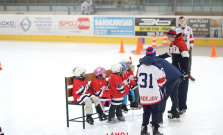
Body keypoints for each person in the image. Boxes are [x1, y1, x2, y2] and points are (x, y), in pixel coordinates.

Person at [158, 28, 189, 115]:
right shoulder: (173, 44)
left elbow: (186, 58)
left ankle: (182, 107)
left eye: (168, 36)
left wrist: (185, 71)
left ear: (172, 36)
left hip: (182, 72)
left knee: (182, 90)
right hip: (175, 72)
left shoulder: (181, 44)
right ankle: (175, 108)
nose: (167, 38)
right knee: (174, 90)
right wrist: (158, 57)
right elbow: (168, 54)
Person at [138, 47, 166, 135]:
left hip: (143, 94)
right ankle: (155, 130)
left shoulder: (140, 67)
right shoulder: (157, 67)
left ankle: (143, 129)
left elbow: (137, 79)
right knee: (155, 112)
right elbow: (162, 82)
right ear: (154, 55)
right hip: (154, 94)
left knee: (145, 111)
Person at [156, 58, 183, 123]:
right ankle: (175, 111)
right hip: (178, 75)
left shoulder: (154, 65)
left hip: (170, 78)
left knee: (163, 96)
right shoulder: (160, 60)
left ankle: (159, 117)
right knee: (174, 94)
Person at [176, 16, 195, 81]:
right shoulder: (177, 29)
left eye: (182, 20)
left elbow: (191, 37)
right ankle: (181, 73)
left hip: (188, 48)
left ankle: (188, 73)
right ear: (179, 22)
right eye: (180, 21)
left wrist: (191, 45)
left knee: (189, 61)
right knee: (180, 60)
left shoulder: (189, 29)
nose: (181, 22)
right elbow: (175, 39)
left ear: (185, 21)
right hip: (180, 48)